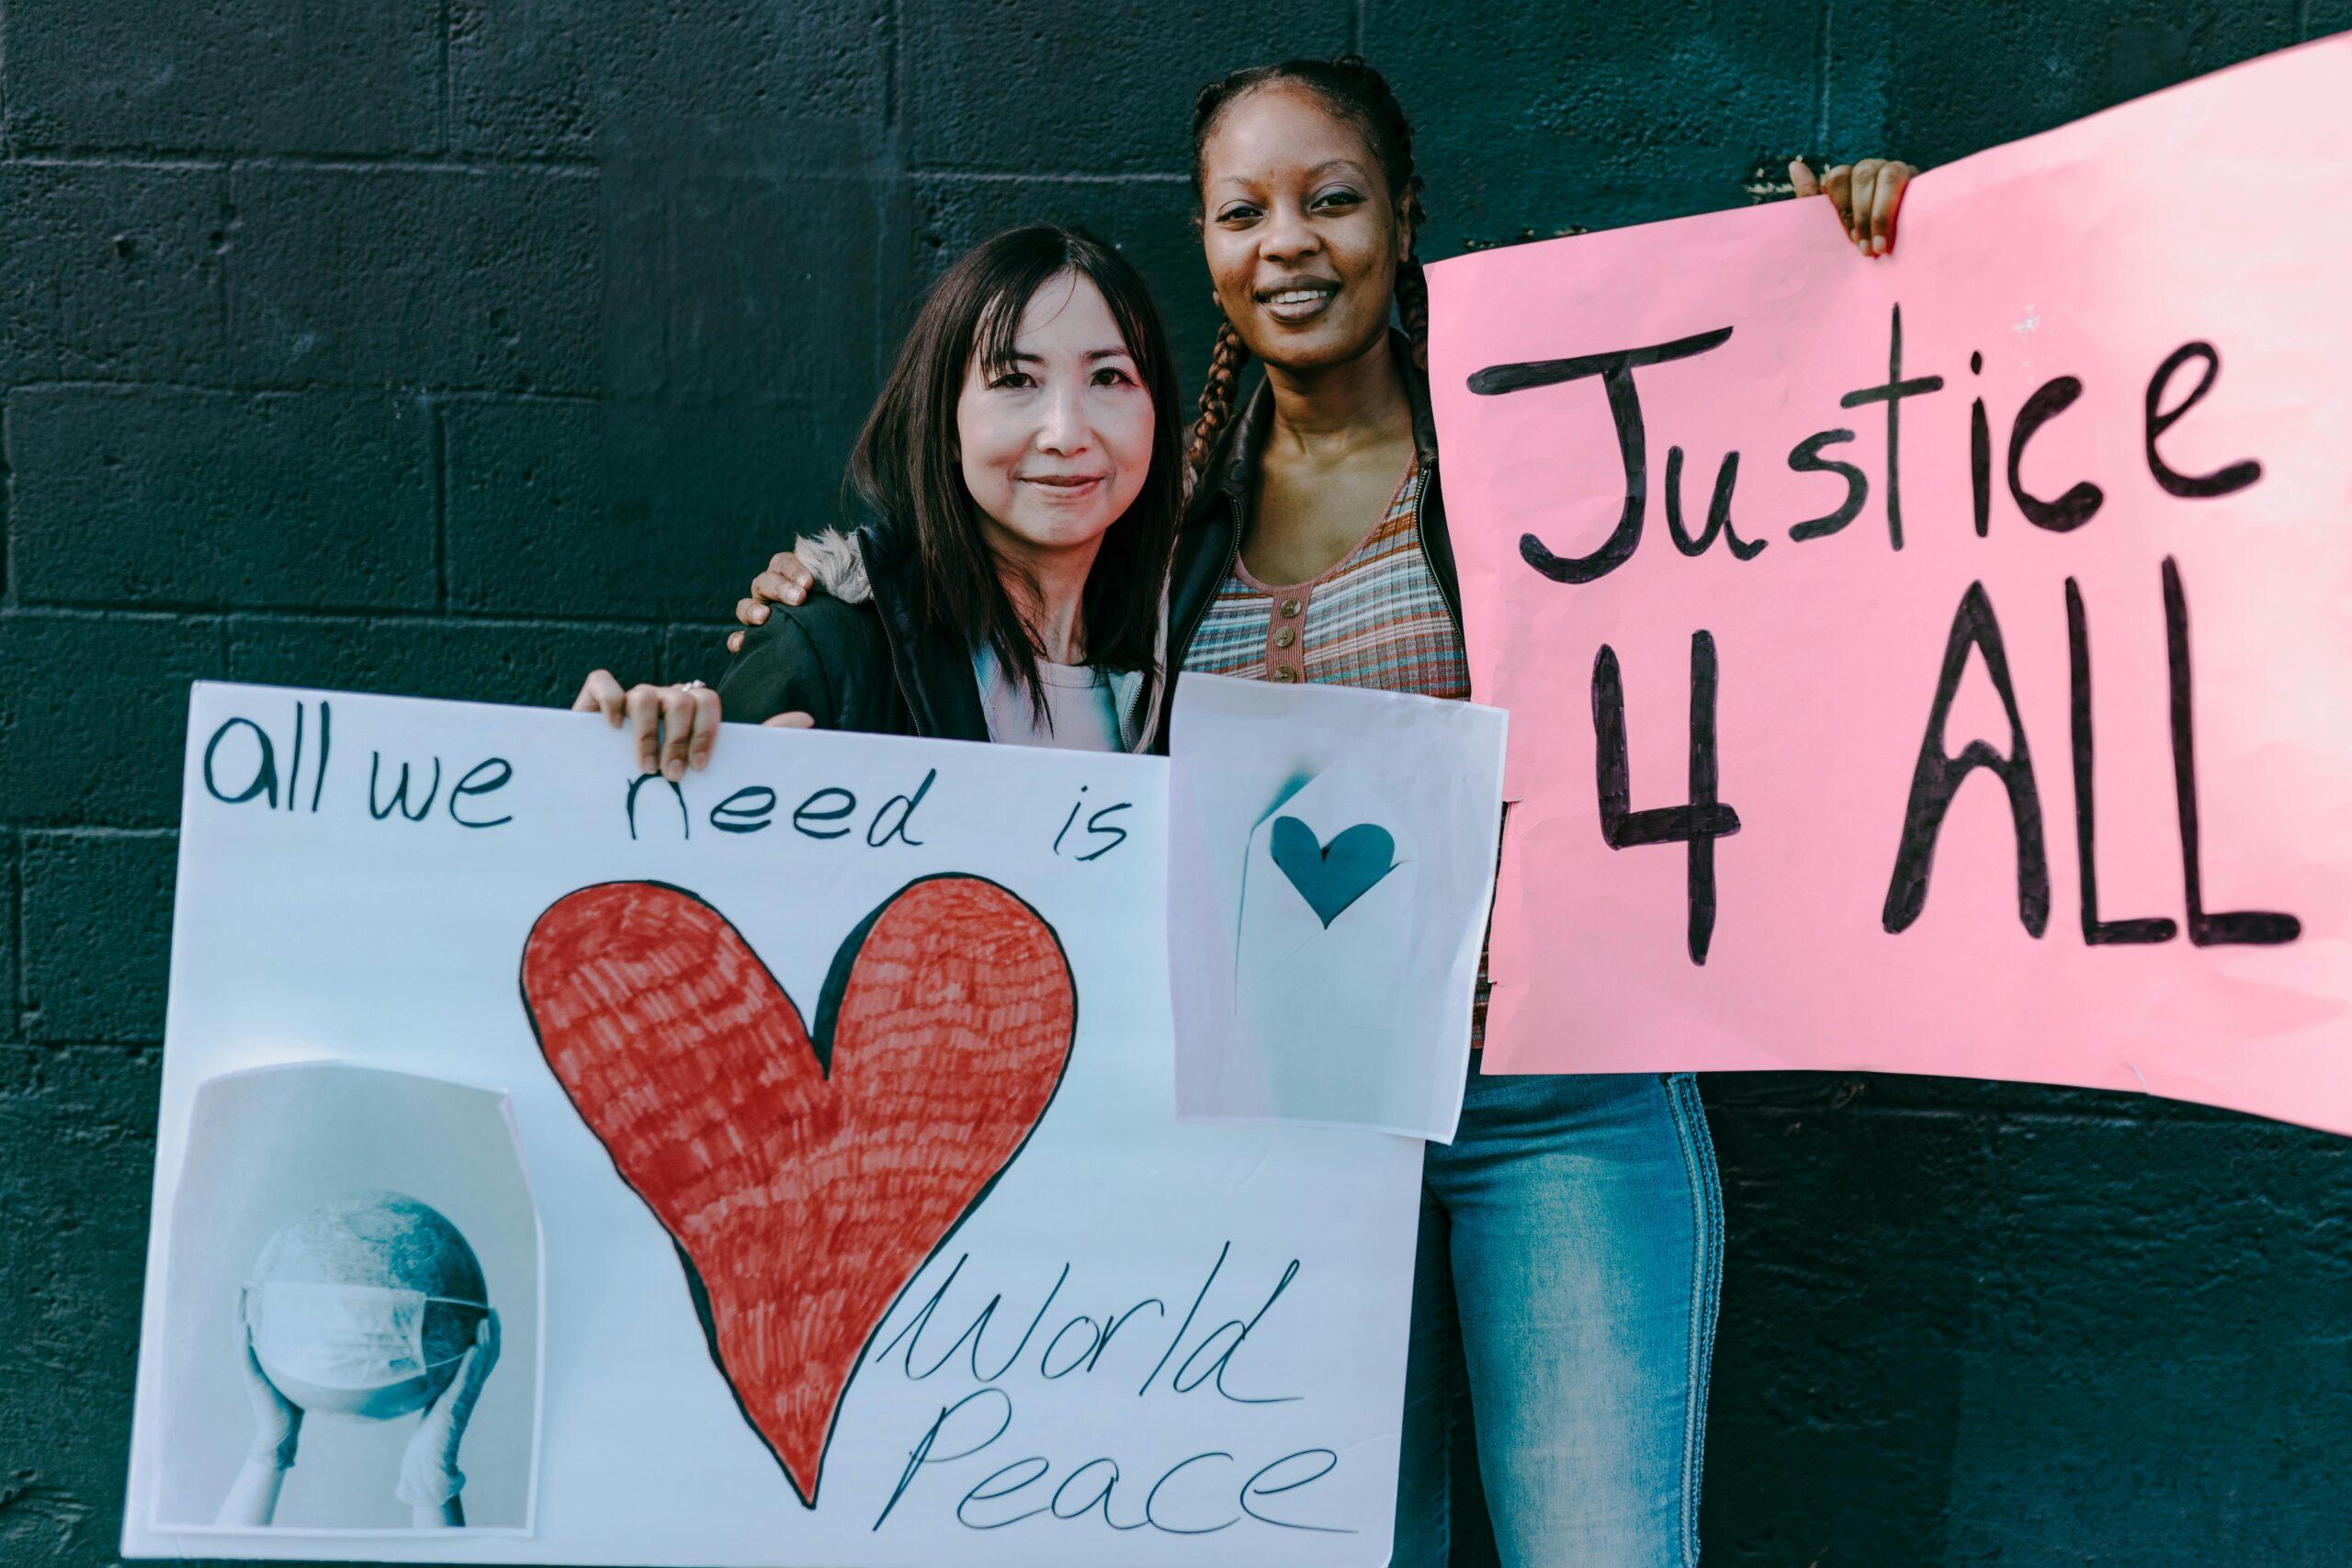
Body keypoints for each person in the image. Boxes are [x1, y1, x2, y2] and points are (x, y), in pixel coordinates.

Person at [720, 60, 1912, 1566]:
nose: (1289, 241)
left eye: (1331, 199)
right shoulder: (1162, 518)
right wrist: (818, 601)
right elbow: (981, 595)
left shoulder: (1535, 442)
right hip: (1290, 1128)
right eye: (1245, 212)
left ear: (1403, 215)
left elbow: (1775, 478)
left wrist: (1847, 266)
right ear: (1210, 249)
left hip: (1553, 1099)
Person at [574, 222, 1183, 760]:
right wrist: (618, 761)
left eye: (1109, 376)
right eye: (1016, 380)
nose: (1066, 434)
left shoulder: (1187, 653)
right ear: (946, 425)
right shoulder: (830, 651)